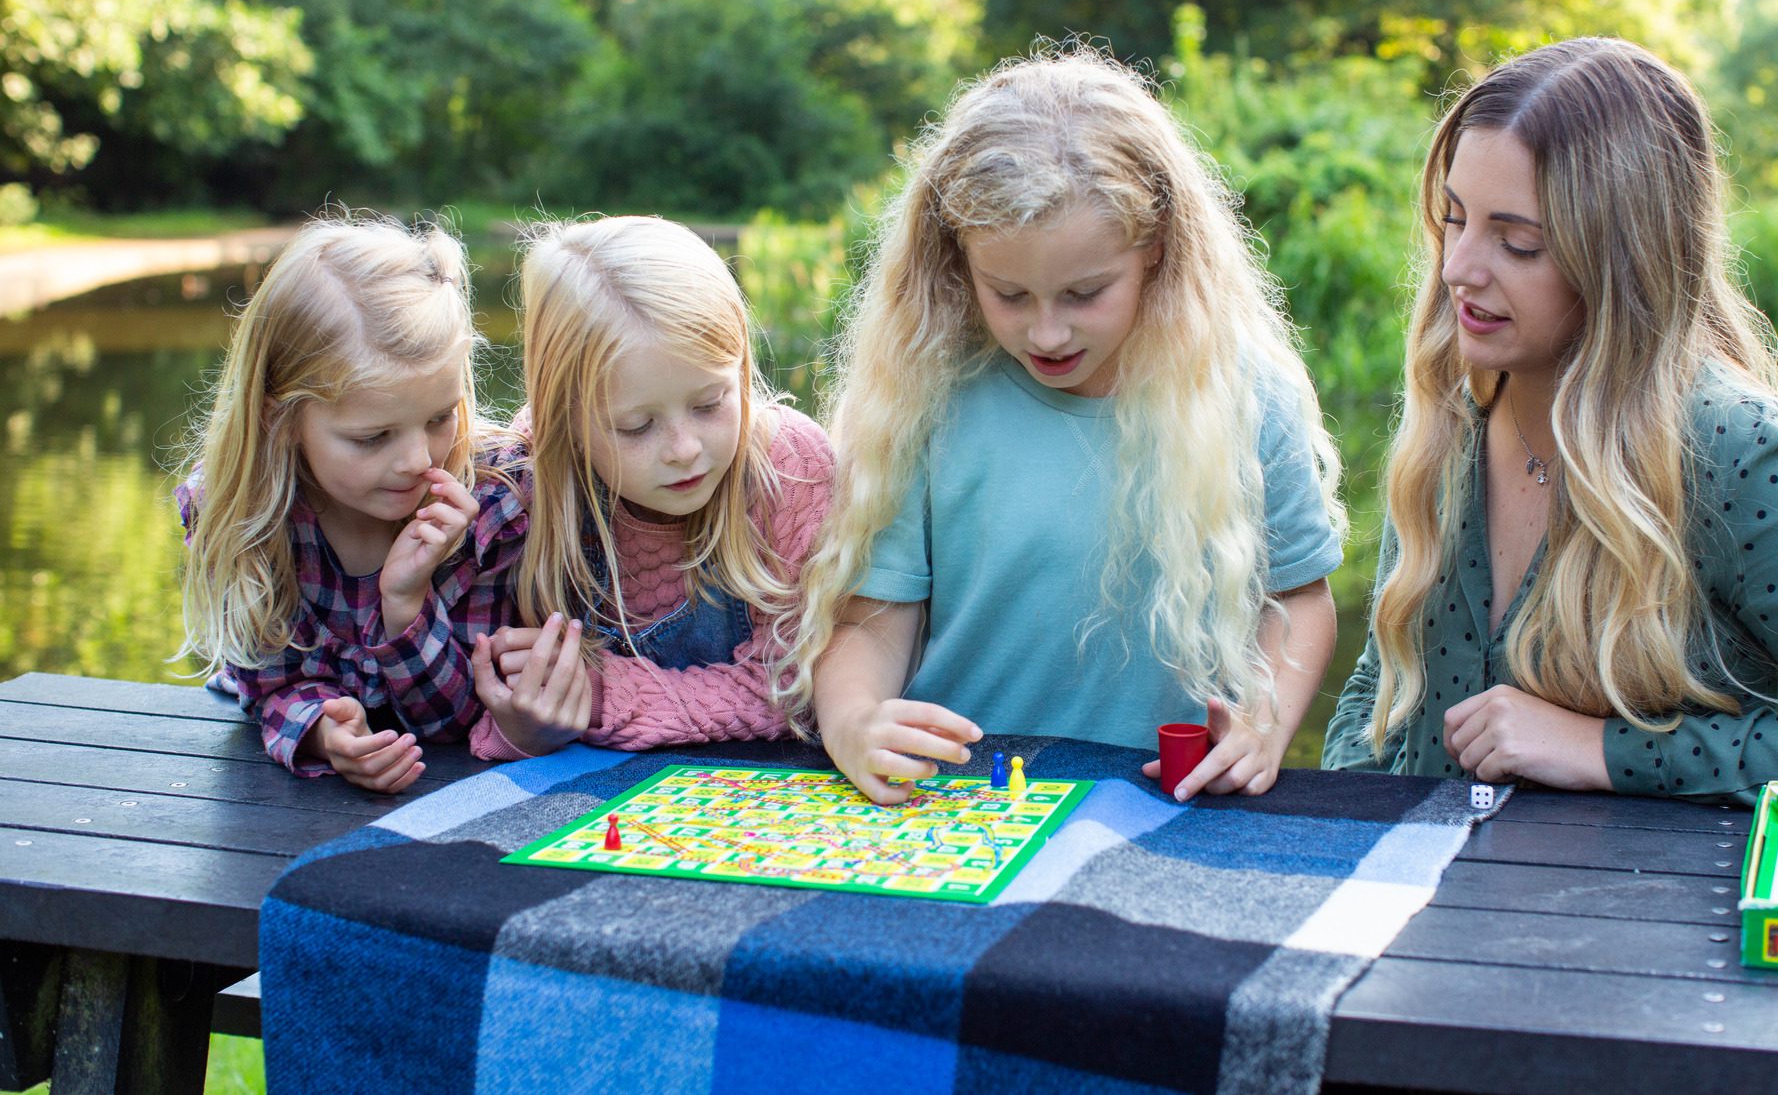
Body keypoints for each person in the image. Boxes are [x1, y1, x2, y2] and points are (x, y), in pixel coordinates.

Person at [1322, 37, 1778, 803]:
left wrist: (1605, 750)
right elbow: (1381, 688)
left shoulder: (1738, 458)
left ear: (1623, 260)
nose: (1458, 269)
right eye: (1454, 218)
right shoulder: (1455, 401)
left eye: (1519, 243)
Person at [780, 46, 1346, 805]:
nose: (1047, 333)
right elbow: (875, 622)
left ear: (1154, 249)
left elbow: (1300, 598)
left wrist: (1264, 720)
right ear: (957, 261)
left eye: (1086, 292)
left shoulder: (1243, 395)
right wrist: (853, 719)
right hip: (956, 806)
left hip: (1163, 808)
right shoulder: (928, 398)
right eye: (1009, 293)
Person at [176, 215, 525, 793]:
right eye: (372, 437)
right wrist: (320, 731)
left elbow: (457, 723)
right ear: (279, 418)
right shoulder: (239, 515)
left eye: (440, 417)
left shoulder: (492, 502)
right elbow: (271, 685)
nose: (419, 458)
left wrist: (405, 602)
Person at [467, 216, 833, 760]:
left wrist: (599, 696)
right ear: (563, 418)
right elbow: (487, 695)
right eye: (637, 426)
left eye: (710, 403)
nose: (684, 448)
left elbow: (797, 690)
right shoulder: (522, 481)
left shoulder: (790, 469)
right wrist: (523, 724)